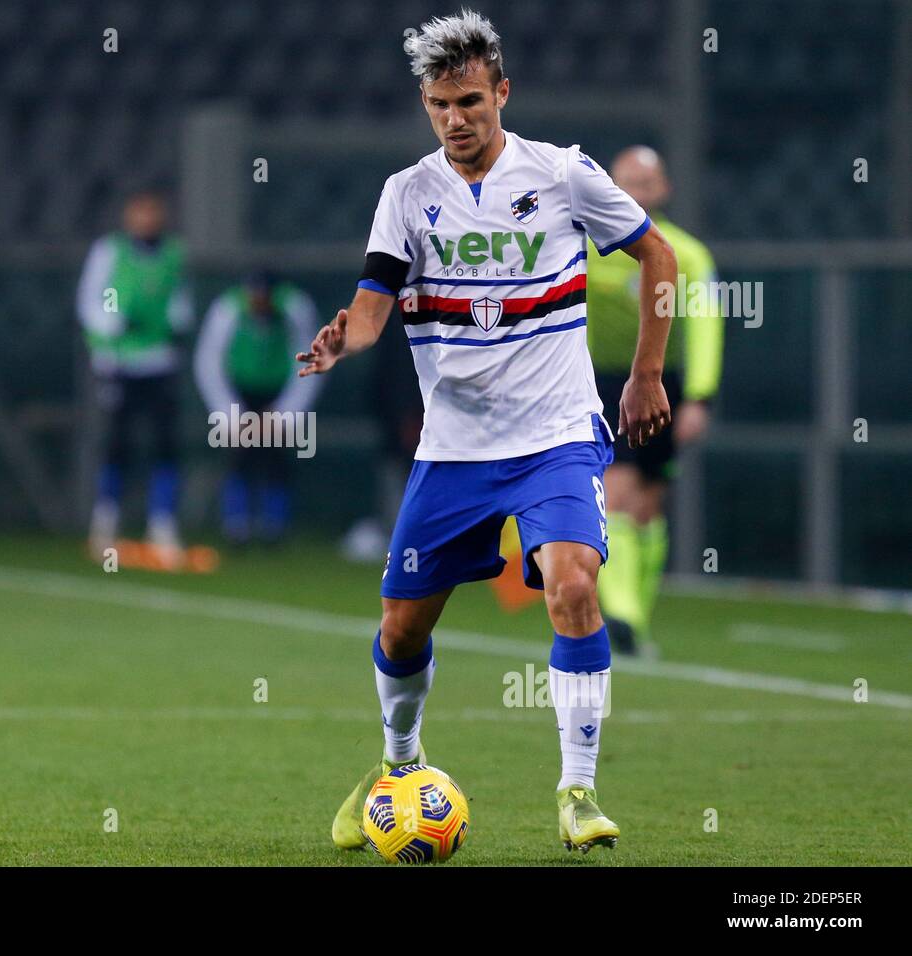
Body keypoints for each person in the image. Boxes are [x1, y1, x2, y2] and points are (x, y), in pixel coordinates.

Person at [297, 10, 677, 855]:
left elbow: (659, 259)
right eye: (438, 104)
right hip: (457, 448)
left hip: (555, 434)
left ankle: (578, 791)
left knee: (573, 583)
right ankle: (399, 766)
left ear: (501, 92)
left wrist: (646, 372)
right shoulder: (408, 194)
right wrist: (344, 338)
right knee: (402, 627)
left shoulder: (564, 174)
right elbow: (372, 303)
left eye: (469, 100)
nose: (454, 118)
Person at [588, 146, 722, 657]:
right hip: (604, 383)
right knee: (616, 491)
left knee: (649, 503)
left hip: (667, 380)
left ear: (663, 189)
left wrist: (700, 398)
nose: (636, 193)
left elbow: (707, 327)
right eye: (626, 182)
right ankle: (618, 614)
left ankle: (633, 623)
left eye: (645, 183)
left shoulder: (687, 254)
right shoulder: (587, 246)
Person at [76, 189, 193, 559]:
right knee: (117, 443)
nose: (148, 221)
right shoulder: (110, 251)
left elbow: (179, 299)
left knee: (165, 444)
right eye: (141, 214)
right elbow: (91, 300)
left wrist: (177, 322)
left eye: (154, 213)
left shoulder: (174, 253)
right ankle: (105, 523)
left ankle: (162, 524)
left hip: (159, 361)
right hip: (120, 362)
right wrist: (112, 327)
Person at [194, 271, 321, 545]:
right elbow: (209, 363)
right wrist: (230, 412)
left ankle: (274, 528)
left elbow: (311, 360)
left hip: (278, 390)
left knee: (276, 459)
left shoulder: (295, 309)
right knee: (240, 456)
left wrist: (285, 412)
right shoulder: (227, 309)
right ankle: (236, 525)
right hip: (239, 390)